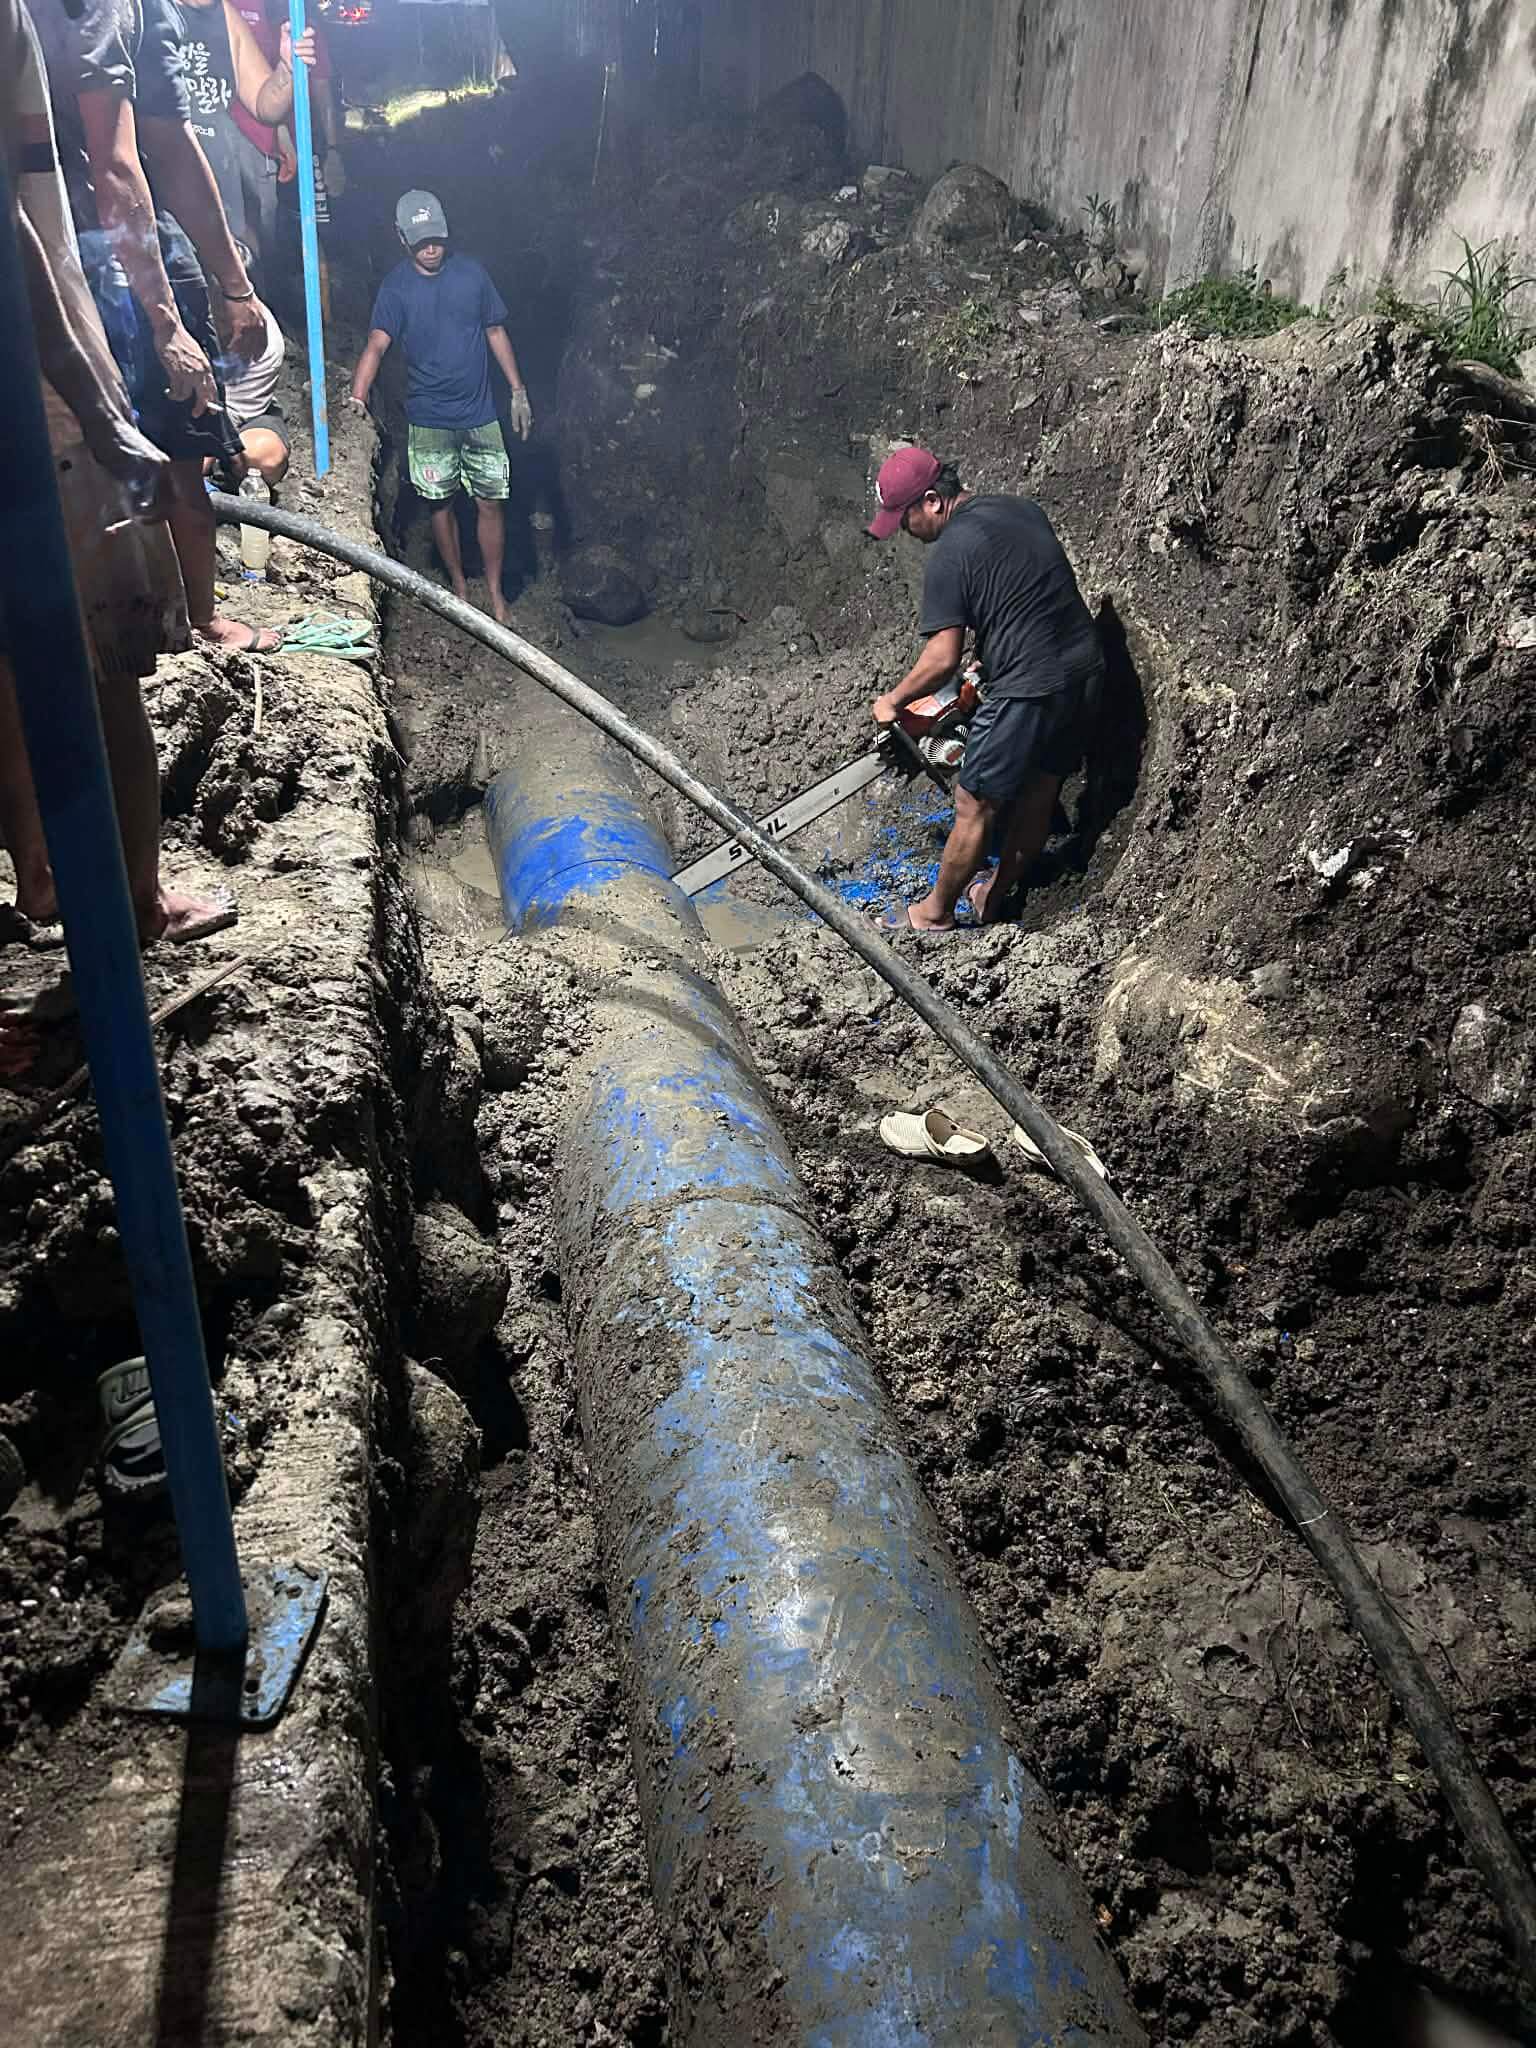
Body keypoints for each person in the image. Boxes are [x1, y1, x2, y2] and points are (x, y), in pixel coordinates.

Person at [0, 0, 234, 1035]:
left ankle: (41, 873)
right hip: (41, 371)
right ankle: (131, 898)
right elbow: (79, 188)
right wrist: (102, 403)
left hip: (42, 357)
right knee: (106, 660)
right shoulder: (64, 17)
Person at [25, 0, 312, 653]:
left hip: (67, 254)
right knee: (159, 451)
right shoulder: (111, 12)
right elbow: (125, 161)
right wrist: (173, 318)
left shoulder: (146, 15)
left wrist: (230, 289)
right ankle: (179, 622)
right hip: (97, 259)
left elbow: (166, 146)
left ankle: (151, 621)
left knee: (142, 450)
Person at [865, 447, 1104, 931]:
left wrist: (893, 701)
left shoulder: (949, 554)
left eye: (905, 518)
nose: (906, 531)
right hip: (1085, 669)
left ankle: (933, 914)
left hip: (1028, 686)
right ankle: (992, 896)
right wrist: (987, 660)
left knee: (972, 803)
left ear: (932, 501)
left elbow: (941, 658)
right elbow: (1027, 594)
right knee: (1041, 789)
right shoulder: (1019, 508)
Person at [348, 190, 531, 626]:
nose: (430, 249)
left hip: (479, 414)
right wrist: (358, 396)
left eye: (436, 239)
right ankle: (460, 588)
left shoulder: (472, 275)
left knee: (491, 502)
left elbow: (495, 331)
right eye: (420, 242)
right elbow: (377, 345)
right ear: (401, 238)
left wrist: (518, 390)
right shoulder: (396, 288)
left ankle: (496, 593)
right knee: (439, 503)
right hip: (428, 418)